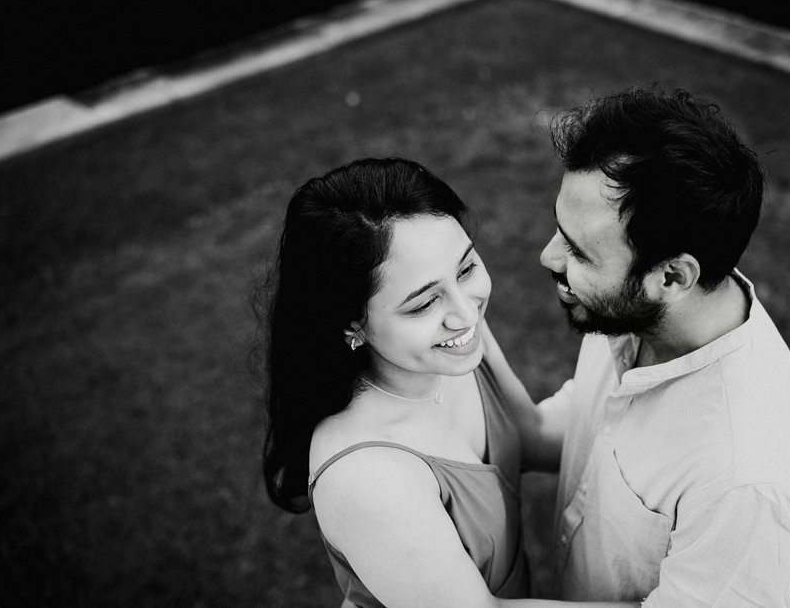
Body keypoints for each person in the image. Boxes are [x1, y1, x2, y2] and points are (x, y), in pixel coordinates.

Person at [260, 157, 631, 608]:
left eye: (466, 268)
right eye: (422, 304)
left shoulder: (448, 347)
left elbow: (532, 436)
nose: (465, 312)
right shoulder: (365, 476)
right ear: (350, 324)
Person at [531, 85, 790, 606]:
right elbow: (568, 427)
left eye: (578, 251)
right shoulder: (632, 313)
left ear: (671, 275)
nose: (548, 257)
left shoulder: (746, 474)